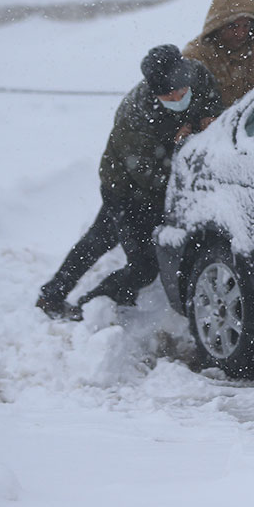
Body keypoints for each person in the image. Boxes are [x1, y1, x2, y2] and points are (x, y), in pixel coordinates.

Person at [36, 45, 223, 321]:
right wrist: (177, 139)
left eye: (182, 92)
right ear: (154, 92)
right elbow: (151, 176)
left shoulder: (195, 74)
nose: (178, 98)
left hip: (150, 181)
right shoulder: (135, 117)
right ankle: (90, 305)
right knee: (141, 265)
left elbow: (211, 98)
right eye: (169, 96)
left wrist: (207, 116)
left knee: (101, 237)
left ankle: (57, 293)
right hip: (127, 190)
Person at [182, 0, 254, 107]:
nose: (240, 34)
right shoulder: (197, 55)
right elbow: (186, 104)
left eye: (245, 26)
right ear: (218, 25)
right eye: (233, 27)